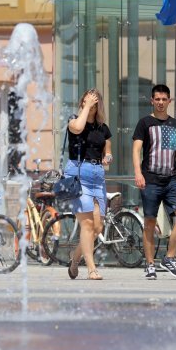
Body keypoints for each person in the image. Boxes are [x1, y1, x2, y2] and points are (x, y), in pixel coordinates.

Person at [132, 84, 176, 280]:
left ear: (169, 101)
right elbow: (136, 150)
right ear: (152, 101)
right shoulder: (145, 123)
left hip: (172, 180)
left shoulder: (175, 124)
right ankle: (150, 264)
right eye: (157, 99)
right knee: (150, 223)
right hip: (150, 179)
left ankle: (169, 258)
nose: (160, 102)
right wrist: (138, 173)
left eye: (164, 99)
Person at [65, 89, 113, 281]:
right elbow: (77, 128)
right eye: (88, 99)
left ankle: (75, 260)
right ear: (83, 102)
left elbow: (107, 151)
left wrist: (108, 157)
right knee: (86, 223)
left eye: (95, 100)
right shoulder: (74, 121)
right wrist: (85, 108)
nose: (92, 102)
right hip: (78, 174)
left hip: (97, 176)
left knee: (98, 227)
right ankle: (92, 268)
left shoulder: (103, 128)